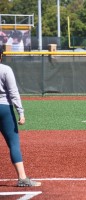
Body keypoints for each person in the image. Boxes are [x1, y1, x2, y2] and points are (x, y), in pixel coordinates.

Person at [0, 48, 41, 187]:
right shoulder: (5, 69)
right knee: (13, 143)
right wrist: (21, 112)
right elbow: (13, 92)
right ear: (1, 56)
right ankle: (22, 178)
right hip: (4, 109)